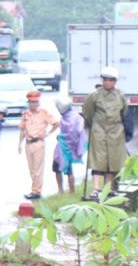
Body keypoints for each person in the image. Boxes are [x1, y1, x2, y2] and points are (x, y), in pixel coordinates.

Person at [82, 67, 127, 200]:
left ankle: (107, 188)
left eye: (111, 80)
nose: (108, 82)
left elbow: (124, 112)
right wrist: (95, 125)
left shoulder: (120, 96)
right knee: (97, 159)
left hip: (115, 131)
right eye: (105, 79)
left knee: (112, 160)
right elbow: (88, 112)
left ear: (115, 81)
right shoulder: (94, 96)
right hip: (99, 130)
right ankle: (96, 188)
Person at [15, 90, 60, 200]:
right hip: (28, 143)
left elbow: (56, 123)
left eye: (35, 102)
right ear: (29, 102)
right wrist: (19, 144)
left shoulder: (43, 112)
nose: (33, 104)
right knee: (31, 169)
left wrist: (48, 134)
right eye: (31, 102)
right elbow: (22, 129)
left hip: (38, 142)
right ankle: (34, 189)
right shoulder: (26, 114)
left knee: (37, 169)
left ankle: (36, 191)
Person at [53, 99, 86, 195]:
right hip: (65, 147)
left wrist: (60, 137)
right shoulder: (75, 116)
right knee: (63, 169)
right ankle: (64, 190)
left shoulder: (71, 118)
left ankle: (67, 191)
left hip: (65, 148)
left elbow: (71, 134)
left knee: (63, 169)